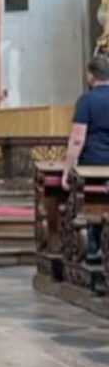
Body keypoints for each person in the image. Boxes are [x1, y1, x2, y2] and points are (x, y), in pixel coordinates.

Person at [63, 54, 109, 263]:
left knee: (90, 206)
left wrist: (67, 170)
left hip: (93, 166)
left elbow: (77, 139)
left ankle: (92, 250)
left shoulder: (86, 101)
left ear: (91, 76)